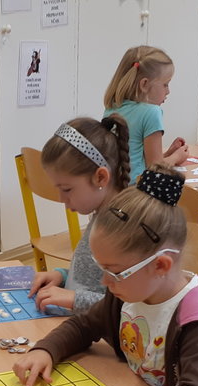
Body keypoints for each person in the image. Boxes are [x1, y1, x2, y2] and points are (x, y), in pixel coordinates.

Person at [15, 166, 198, 386]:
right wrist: (46, 350)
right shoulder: (128, 293)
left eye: (115, 272)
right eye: (101, 269)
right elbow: (83, 326)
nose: (105, 282)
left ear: (160, 265)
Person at [28, 115, 131, 315]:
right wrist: (63, 276)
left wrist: (75, 299)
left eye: (66, 189)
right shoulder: (103, 213)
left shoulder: (124, 227)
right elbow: (92, 281)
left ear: (100, 177)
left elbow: (128, 306)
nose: (61, 198)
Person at [103, 46, 189, 184]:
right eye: (165, 84)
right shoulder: (151, 112)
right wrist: (176, 158)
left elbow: (135, 158)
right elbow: (154, 170)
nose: (168, 91)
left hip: (113, 188)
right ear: (144, 84)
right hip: (136, 190)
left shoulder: (112, 107)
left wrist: (168, 154)